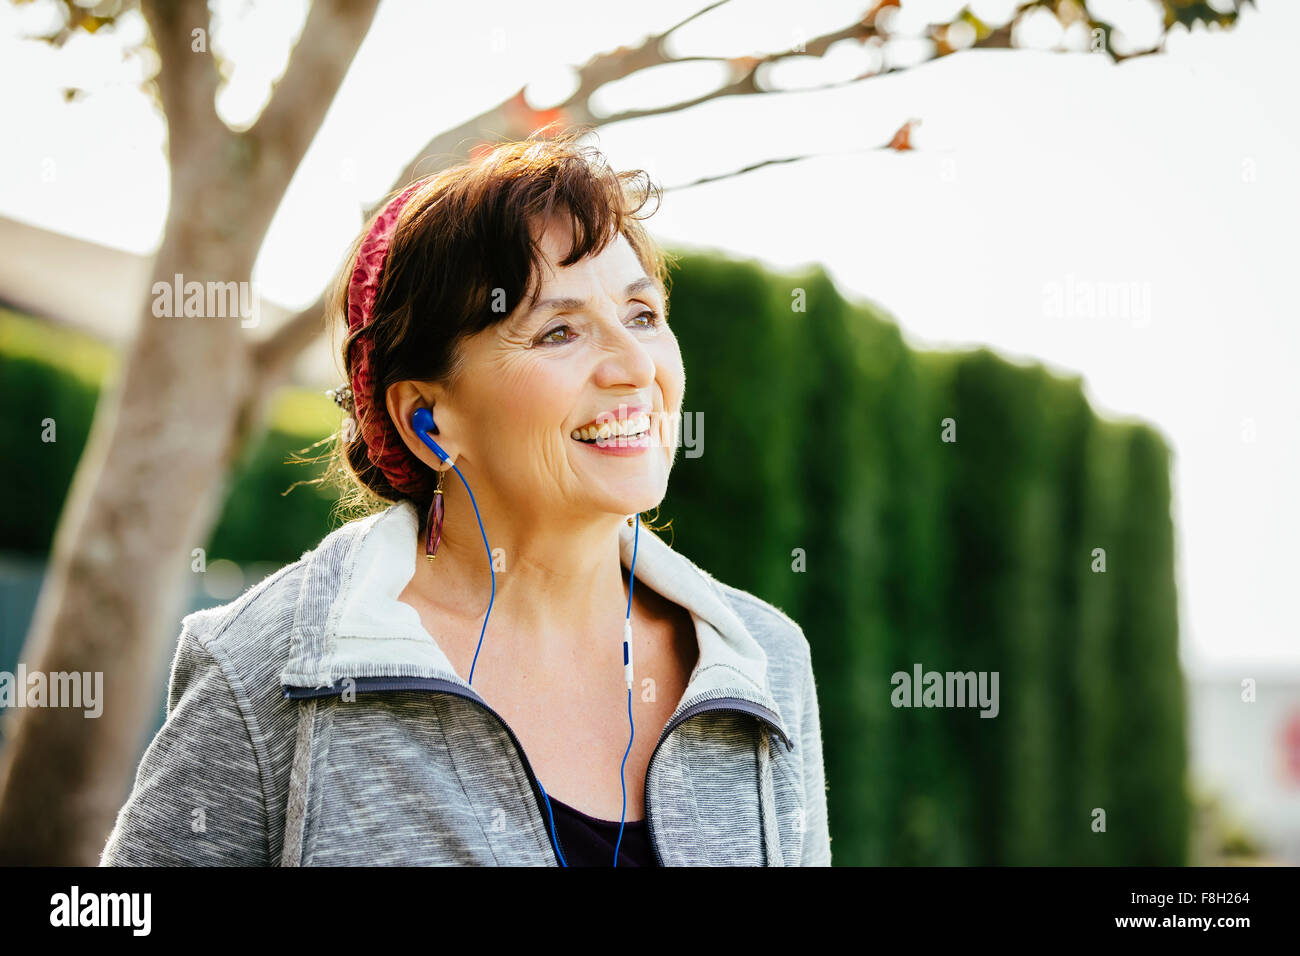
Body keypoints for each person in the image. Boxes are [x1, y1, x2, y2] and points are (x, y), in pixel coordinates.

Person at [100, 132, 830, 866]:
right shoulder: (267, 669)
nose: (637, 366)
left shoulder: (765, 662)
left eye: (642, 315)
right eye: (559, 331)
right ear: (429, 418)